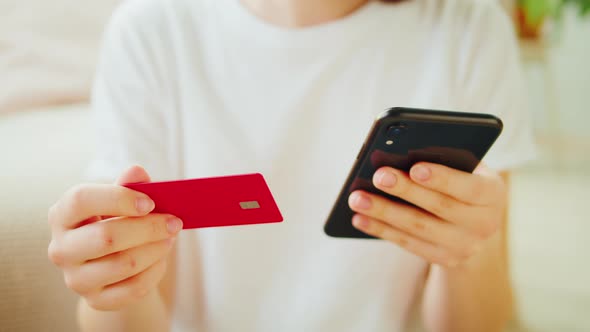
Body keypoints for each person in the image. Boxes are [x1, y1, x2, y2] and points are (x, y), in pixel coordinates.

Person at [47, 0, 536, 331]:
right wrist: (111, 282)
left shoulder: (467, 24)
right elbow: (142, 307)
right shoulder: (152, 28)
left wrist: (470, 252)